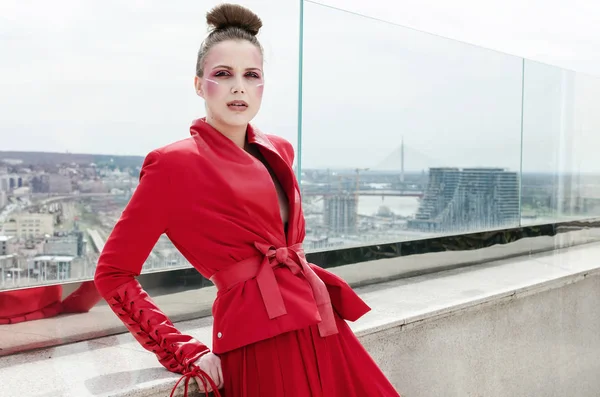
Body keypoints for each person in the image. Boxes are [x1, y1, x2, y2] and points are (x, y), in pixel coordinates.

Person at [94, 3, 401, 397]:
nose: (238, 86)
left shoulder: (280, 149)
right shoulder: (171, 165)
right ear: (198, 84)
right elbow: (113, 273)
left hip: (322, 326)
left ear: (262, 85)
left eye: (251, 74)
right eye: (222, 74)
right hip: (257, 340)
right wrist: (181, 351)